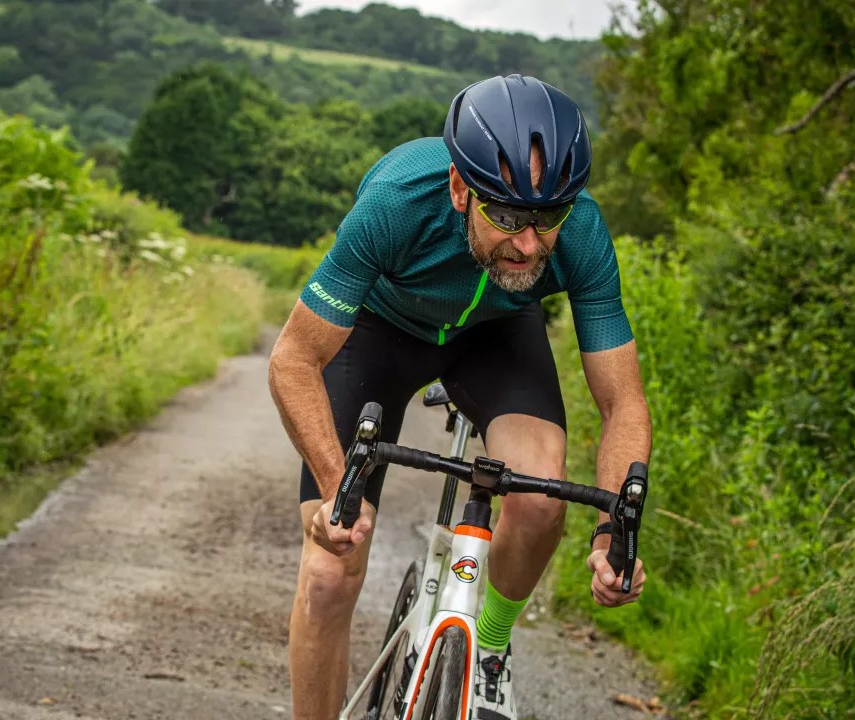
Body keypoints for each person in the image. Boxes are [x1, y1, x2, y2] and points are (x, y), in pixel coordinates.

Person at [267, 74, 652, 720]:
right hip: (382, 329)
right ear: (458, 188)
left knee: (539, 500)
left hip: (497, 333)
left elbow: (623, 402)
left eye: (547, 218)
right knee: (329, 573)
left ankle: (491, 645)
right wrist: (337, 487)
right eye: (506, 216)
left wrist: (615, 533)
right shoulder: (397, 200)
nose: (528, 243)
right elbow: (293, 360)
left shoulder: (582, 231)